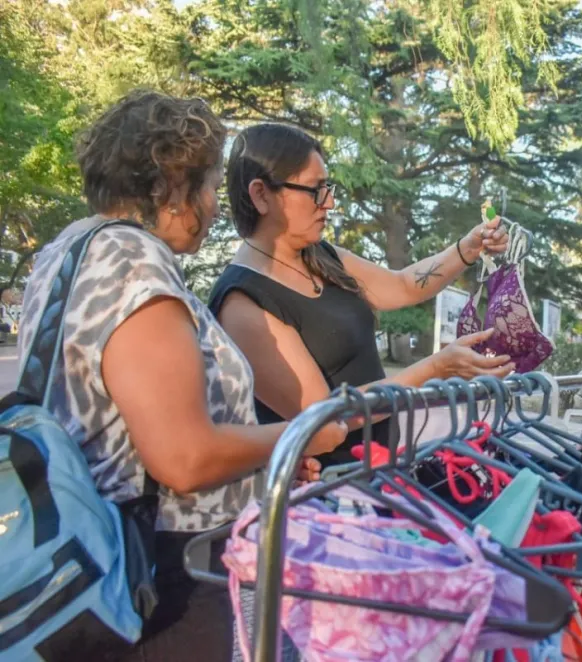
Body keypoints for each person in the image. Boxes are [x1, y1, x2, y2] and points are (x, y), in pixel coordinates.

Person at [16, 91, 347, 660]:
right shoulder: (132, 263)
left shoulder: (68, 248)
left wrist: (258, 458)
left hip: (102, 552)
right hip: (164, 580)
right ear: (171, 186)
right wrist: (303, 435)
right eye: (213, 187)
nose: (217, 206)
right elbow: (183, 458)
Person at [210, 123, 513, 467]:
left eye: (329, 188)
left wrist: (466, 249)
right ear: (261, 194)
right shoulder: (244, 304)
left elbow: (402, 285)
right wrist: (436, 369)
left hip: (383, 464)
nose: (330, 203)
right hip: (330, 491)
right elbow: (325, 418)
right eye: (316, 190)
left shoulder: (321, 255)